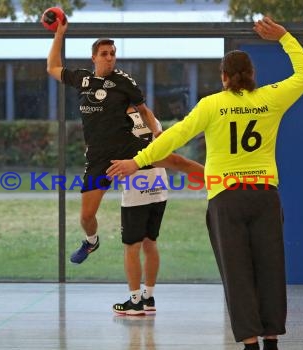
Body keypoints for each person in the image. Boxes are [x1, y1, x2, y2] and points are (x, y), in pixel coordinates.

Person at [107, 17, 303, 350]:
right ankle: (272, 349)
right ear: (252, 74)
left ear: (223, 77)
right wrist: (284, 37)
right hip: (265, 195)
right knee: (269, 269)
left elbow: (173, 137)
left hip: (227, 198)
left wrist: (137, 161)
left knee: (237, 273)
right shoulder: (271, 98)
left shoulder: (211, 105)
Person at [46, 18, 204, 265]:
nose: (110, 58)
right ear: (94, 58)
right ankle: (91, 242)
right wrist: (59, 34)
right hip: (99, 158)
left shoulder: (124, 82)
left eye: (113, 54)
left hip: (128, 148)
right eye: (104, 54)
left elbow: (144, 110)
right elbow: (52, 67)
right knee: (86, 217)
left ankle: (220, 183)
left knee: (176, 161)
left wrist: (156, 133)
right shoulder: (82, 79)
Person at [112, 107, 168, 316]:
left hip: (136, 194)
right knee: (150, 243)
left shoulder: (119, 126)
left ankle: (135, 301)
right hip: (159, 190)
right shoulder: (154, 121)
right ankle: (148, 297)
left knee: (131, 247)